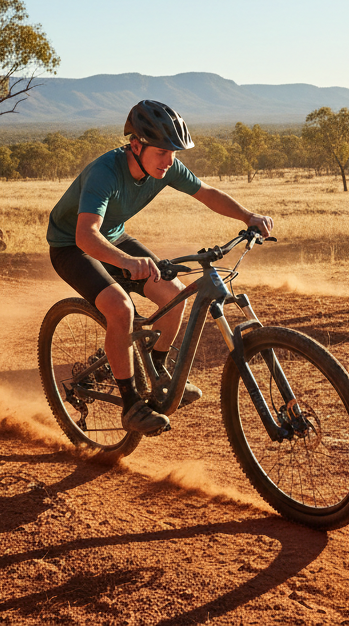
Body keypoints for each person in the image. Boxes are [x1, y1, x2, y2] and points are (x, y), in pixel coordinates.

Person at [46, 100, 274, 435]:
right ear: (135, 145)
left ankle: (155, 368)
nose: (169, 161)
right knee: (120, 308)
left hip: (113, 237)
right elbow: (85, 235)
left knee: (174, 294)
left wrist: (248, 216)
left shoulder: (166, 168)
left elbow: (207, 193)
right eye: (162, 152)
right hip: (71, 245)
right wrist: (125, 262)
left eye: (174, 153)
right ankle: (130, 404)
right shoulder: (105, 172)